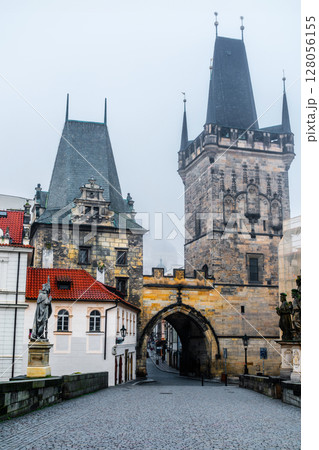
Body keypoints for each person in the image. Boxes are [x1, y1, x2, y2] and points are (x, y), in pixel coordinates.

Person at [31, 277, 52, 341]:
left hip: (41, 313)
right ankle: (38, 335)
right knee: (42, 324)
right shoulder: (43, 295)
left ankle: (40, 335)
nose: (49, 290)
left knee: (41, 325)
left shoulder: (41, 295)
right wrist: (50, 299)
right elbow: (46, 303)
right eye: (48, 289)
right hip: (42, 313)